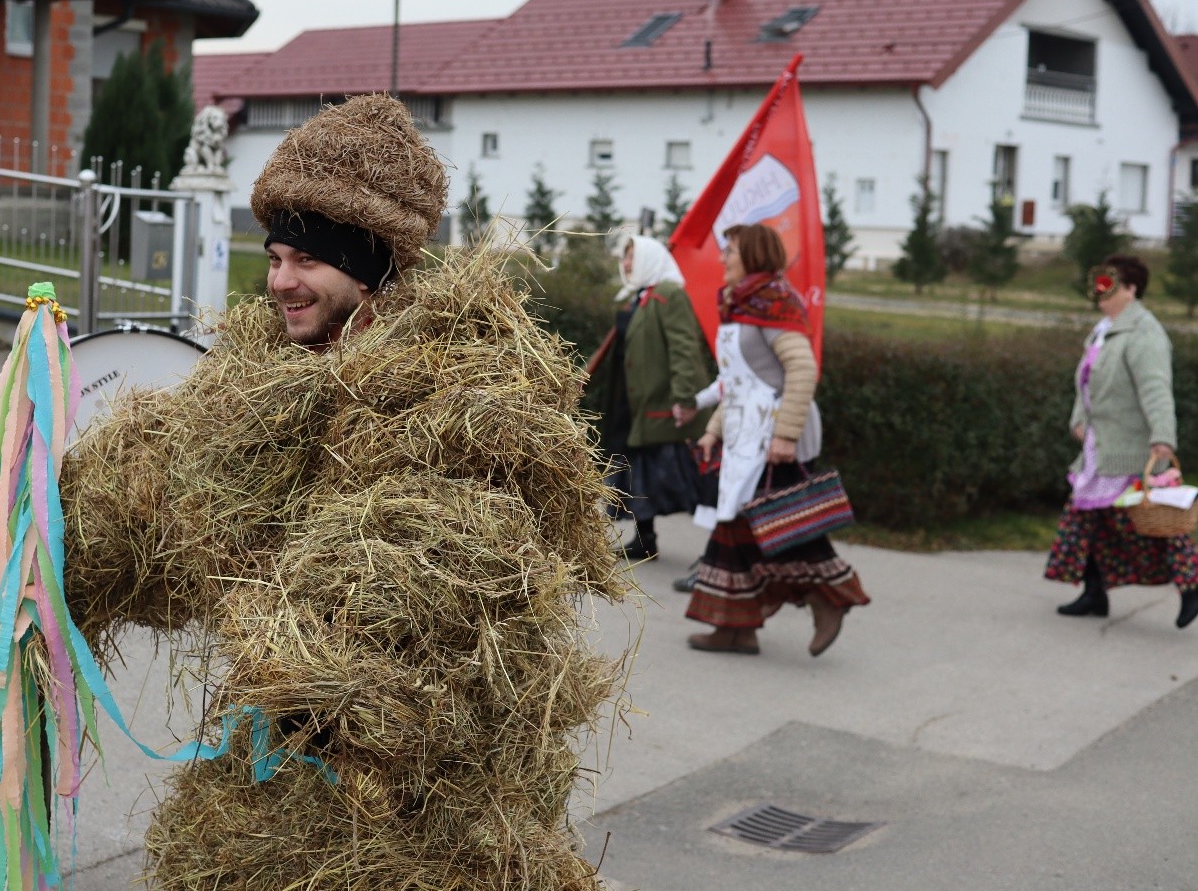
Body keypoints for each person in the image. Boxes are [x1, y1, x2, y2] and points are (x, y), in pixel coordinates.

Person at [59, 95, 625, 889]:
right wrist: (56, 502)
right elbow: (157, 511)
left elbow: (399, 616)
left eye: (307, 261)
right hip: (279, 786)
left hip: (411, 824)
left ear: (370, 266)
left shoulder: (462, 404)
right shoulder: (269, 378)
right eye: (275, 256)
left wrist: (272, 610)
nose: (281, 282)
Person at [681, 223, 869, 657]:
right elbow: (738, 381)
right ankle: (735, 630)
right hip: (746, 432)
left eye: (731, 251)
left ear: (755, 256)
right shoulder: (738, 305)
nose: (723, 258)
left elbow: (802, 371)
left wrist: (785, 434)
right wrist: (713, 430)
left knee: (788, 525)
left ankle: (830, 600)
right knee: (735, 528)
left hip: (773, 434)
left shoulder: (774, 303)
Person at [1045, 254, 1198, 627]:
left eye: (1108, 285)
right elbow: (1086, 383)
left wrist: (1163, 437)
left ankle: (1192, 587)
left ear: (1130, 289)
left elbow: (1156, 388)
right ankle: (1094, 593)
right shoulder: (1104, 329)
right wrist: (1078, 420)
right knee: (1088, 522)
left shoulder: (1144, 332)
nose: (1100, 293)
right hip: (1100, 447)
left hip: (1131, 448)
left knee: (1156, 523)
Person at [602, 234, 711, 562]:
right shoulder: (641, 297)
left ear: (651, 258)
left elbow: (683, 347)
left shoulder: (668, 295)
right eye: (624, 258)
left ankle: (723, 548)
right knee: (638, 472)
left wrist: (684, 396)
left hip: (666, 405)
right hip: (641, 405)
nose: (627, 264)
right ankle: (644, 538)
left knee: (689, 480)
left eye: (632, 256)